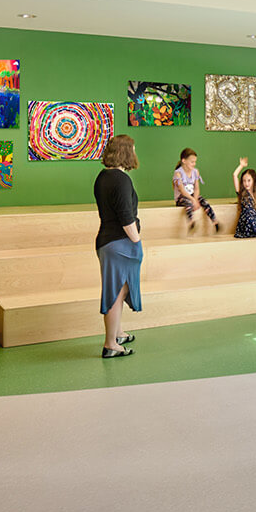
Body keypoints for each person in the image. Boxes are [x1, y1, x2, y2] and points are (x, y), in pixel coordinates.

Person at [94, 134, 142, 358]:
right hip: (119, 244)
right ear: (126, 152)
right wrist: (136, 240)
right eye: (133, 149)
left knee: (119, 290)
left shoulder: (103, 177)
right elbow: (125, 216)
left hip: (107, 241)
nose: (135, 153)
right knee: (115, 293)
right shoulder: (121, 180)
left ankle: (118, 333)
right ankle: (111, 344)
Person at [172, 147, 219, 235]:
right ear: (184, 161)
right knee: (188, 203)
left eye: (195, 162)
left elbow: (196, 188)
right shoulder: (178, 173)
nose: (194, 164)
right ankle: (191, 222)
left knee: (204, 202)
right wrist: (193, 200)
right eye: (192, 162)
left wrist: (196, 199)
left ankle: (214, 221)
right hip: (182, 197)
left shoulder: (195, 172)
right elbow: (182, 190)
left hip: (193, 195)